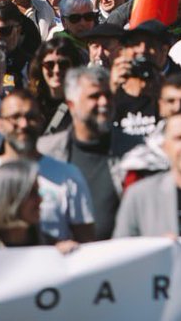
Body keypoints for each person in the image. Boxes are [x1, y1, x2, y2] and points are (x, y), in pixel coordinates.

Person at [0, 89, 96, 243]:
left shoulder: (69, 176)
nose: (23, 124)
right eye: (15, 117)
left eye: (31, 117)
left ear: (41, 121)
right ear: (0, 124)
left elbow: (87, 242)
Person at [37, 66, 123, 240]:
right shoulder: (45, 151)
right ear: (71, 105)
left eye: (108, 95)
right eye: (94, 96)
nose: (104, 102)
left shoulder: (134, 151)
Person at [0, 160, 77, 250]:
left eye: (38, 192)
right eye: (31, 193)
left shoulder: (51, 248)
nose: (40, 199)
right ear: (8, 199)